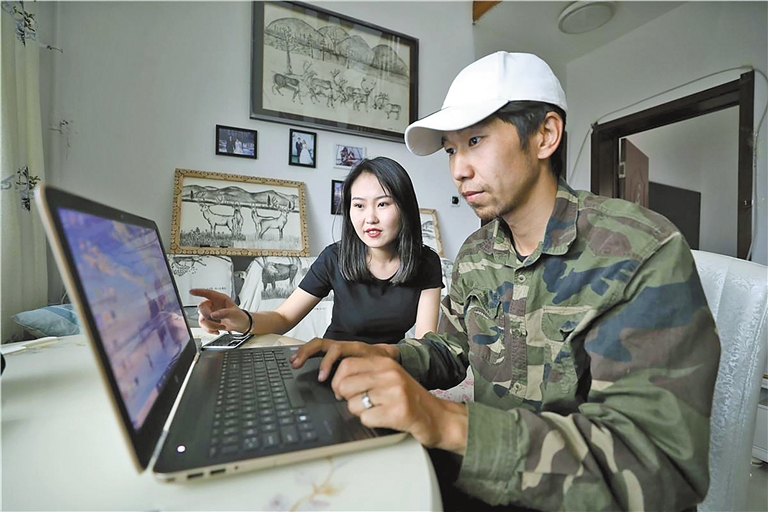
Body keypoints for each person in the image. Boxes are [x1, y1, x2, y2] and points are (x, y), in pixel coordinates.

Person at [290, 52, 721, 511]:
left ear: (545, 135)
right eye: (451, 150)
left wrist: (446, 422)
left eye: (475, 140)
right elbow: (450, 349)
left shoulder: (637, 251)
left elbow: (657, 467)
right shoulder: (478, 252)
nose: (458, 169)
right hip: (488, 477)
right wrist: (385, 355)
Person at [192, 156, 444, 347]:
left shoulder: (426, 262)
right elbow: (283, 317)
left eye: (383, 204)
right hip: (333, 365)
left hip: (389, 371)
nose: (370, 218)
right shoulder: (334, 258)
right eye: (359, 205)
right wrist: (242, 319)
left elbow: (424, 347)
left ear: (405, 207)